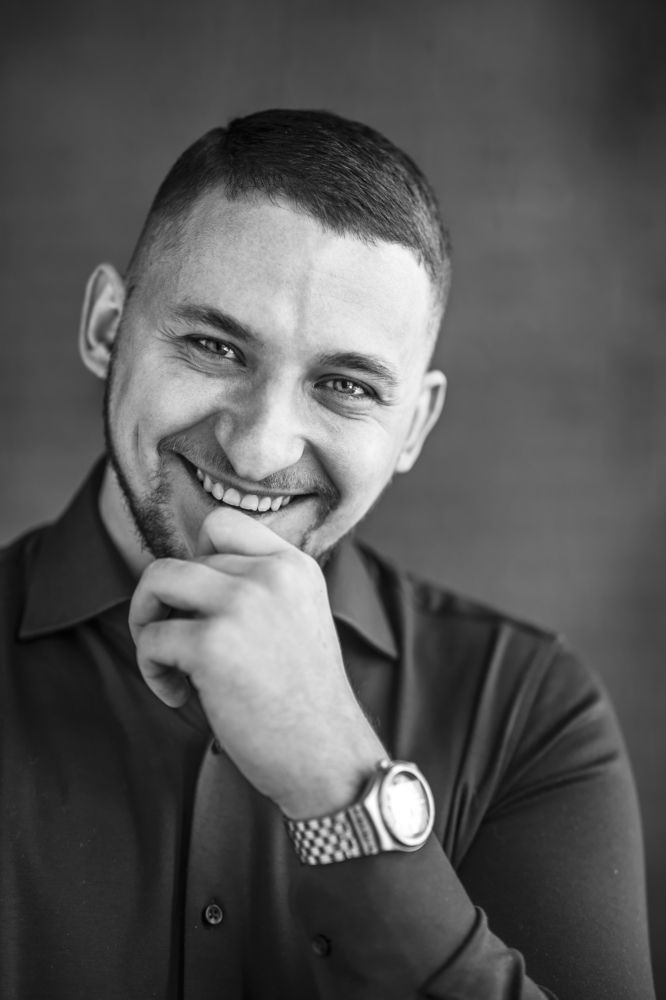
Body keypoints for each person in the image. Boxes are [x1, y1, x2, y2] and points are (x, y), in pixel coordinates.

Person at [0, 109, 655, 1000]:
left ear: (413, 426)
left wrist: (340, 781)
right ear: (107, 327)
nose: (258, 450)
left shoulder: (530, 711)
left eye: (344, 385)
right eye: (213, 346)